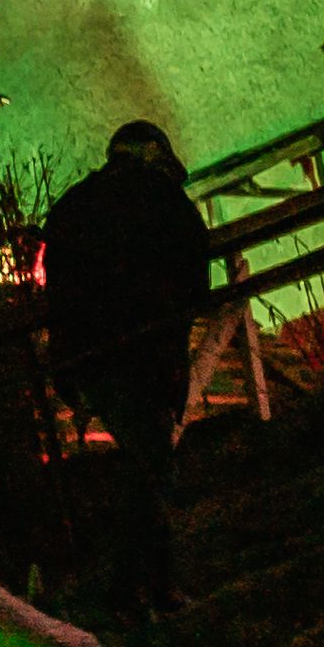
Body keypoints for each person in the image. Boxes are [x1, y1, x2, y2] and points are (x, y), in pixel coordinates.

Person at [38, 120, 214, 608]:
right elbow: (195, 275)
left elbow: (56, 291)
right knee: (151, 466)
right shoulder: (161, 199)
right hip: (146, 352)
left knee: (146, 464)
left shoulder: (72, 207)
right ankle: (130, 590)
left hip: (92, 359)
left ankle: (153, 589)